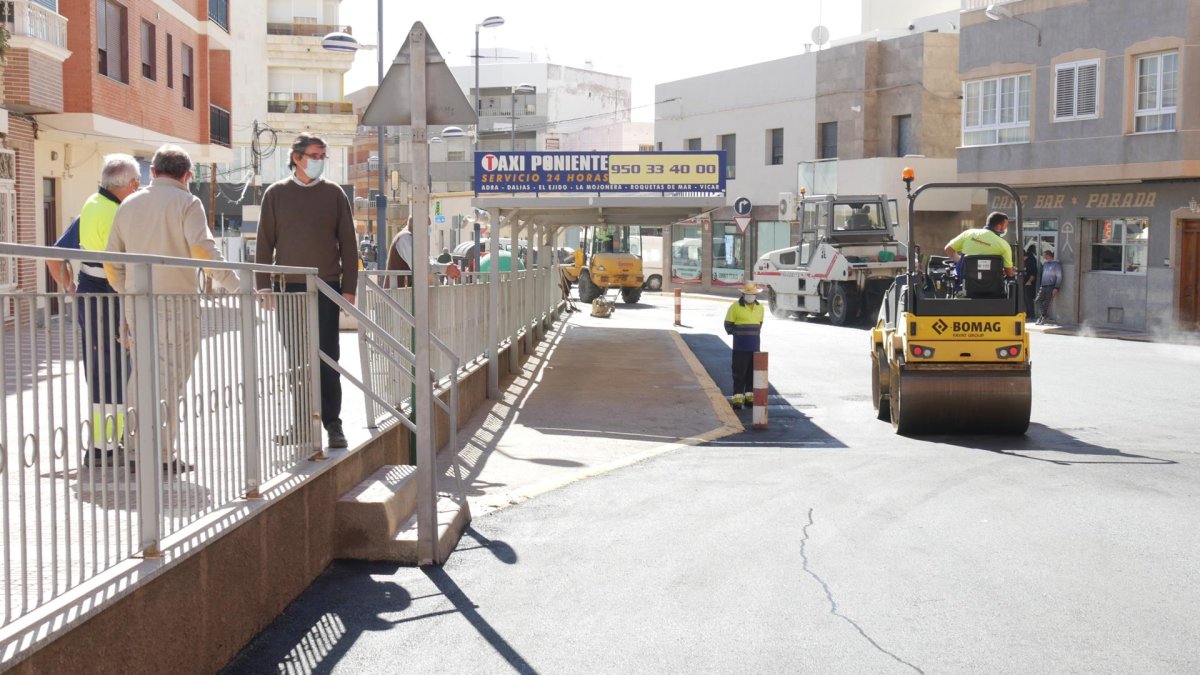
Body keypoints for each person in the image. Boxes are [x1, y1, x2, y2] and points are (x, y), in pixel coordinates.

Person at [106, 145, 240, 472]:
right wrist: (239, 286)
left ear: (152, 171)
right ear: (188, 176)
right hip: (175, 305)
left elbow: (112, 261)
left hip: (137, 304)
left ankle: (137, 450)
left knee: (142, 378)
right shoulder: (187, 202)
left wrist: (128, 293)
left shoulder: (128, 204)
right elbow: (202, 250)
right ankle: (162, 457)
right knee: (170, 382)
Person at [255, 133, 359, 449]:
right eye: (314, 155)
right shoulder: (275, 195)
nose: (319, 162)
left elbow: (349, 245)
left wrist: (349, 289)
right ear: (297, 157)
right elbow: (264, 243)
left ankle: (333, 425)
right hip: (288, 288)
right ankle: (301, 423)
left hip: (326, 286)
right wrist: (262, 285)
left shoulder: (334, 194)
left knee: (327, 357)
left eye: (322, 156)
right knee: (297, 360)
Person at [45, 154, 141, 468]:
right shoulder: (121, 212)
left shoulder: (91, 206)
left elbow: (54, 256)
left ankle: (104, 445)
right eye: (136, 184)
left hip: (90, 296)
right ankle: (106, 447)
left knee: (99, 372)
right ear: (128, 184)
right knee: (116, 373)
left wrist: (71, 289)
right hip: (112, 298)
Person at [723, 282, 765, 410]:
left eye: (752, 294)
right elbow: (728, 325)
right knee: (739, 373)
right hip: (740, 347)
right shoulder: (734, 307)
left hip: (754, 346)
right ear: (743, 294)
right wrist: (739, 334)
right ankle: (737, 399)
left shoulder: (760, 308)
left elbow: (760, 324)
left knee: (752, 374)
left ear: (756, 294)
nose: (750, 296)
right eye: (748, 294)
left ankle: (749, 397)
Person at [944, 211, 1015, 278]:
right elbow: (1009, 273)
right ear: (999, 226)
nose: (1005, 229)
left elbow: (948, 249)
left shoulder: (969, 233)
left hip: (965, 285)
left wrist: (961, 261)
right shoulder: (1004, 245)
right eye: (1005, 226)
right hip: (992, 287)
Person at [1035, 249, 1063, 325]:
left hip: (1051, 286)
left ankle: (1042, 317)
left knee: (1047, 302)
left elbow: (1059, 277)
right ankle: (1043, 316)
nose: (1043, 257)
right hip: (1043, 286)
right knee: (1038, 300)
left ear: (1048, 255)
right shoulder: (1045, 264)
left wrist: (1056, 287)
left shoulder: (1056, 264)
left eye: (1044, 255)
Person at [386, 220, 413, 288]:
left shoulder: (408, 237)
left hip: (401, 292)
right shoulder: (405, 237)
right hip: (397, 292)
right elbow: (418, 266)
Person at [1023, 245, 1040, 321]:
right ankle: (1027, 314)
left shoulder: (1031, 260)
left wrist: (1029, 281)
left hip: (1028, 284)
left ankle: (1032, 315)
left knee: (1028, 299)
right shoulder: (1025, 261)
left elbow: (1034, 273)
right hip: (1024, 283)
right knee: (1025, 299)